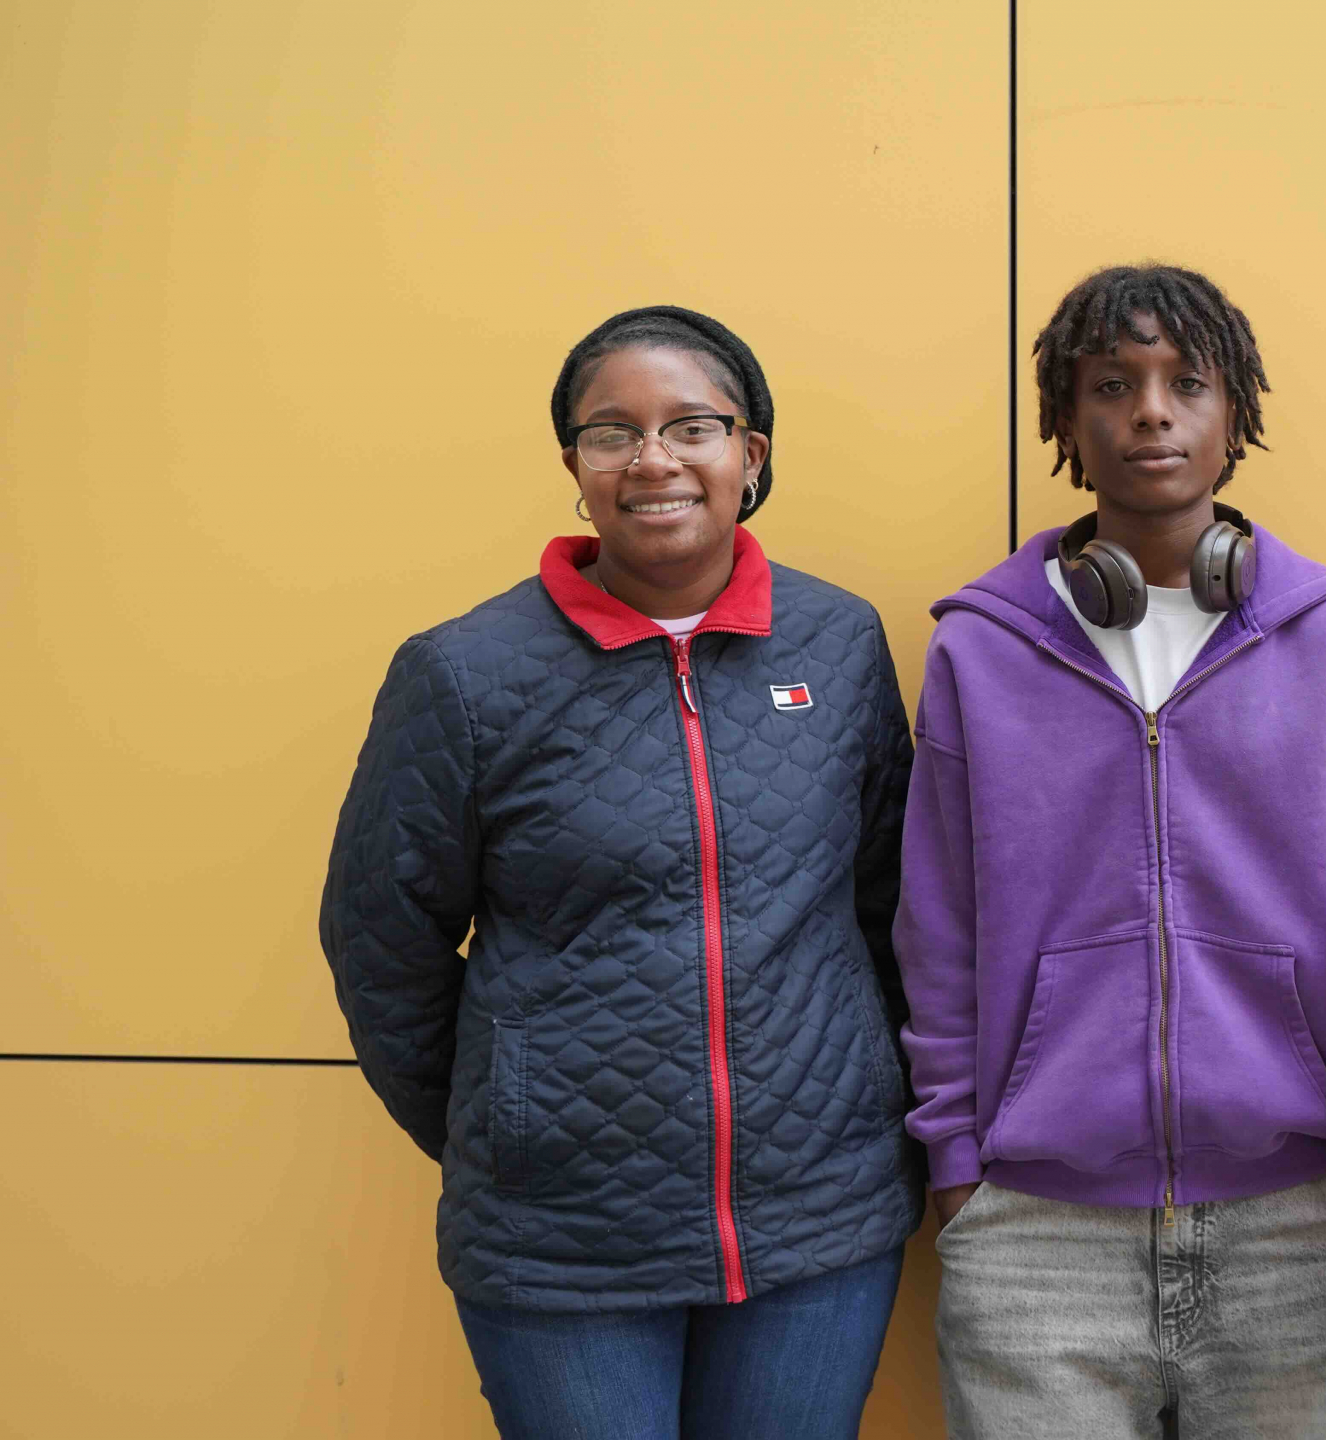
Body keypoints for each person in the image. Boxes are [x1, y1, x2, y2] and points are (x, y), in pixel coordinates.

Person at [320, 305, 918, 1438]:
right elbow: (379, 938)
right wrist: (513, 1118)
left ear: (752, 453)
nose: (653, 459)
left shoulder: (836, 645)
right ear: (573, 466)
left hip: (818, 1221)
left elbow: (890, 902)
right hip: (562, 1245)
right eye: (612, 432)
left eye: (692, 425)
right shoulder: (464, 674)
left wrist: (855, 1094)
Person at [896, 263, 1326, 1437]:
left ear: (1237, 417)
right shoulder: (982, 648)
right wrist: (959, 1167)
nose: (1151, 412)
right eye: (1111, 385)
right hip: (1035, 1233)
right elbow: (938, 926)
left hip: (1301, 1221)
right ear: (1065, 423)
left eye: (1187, 383)